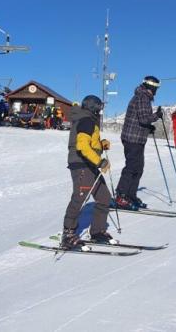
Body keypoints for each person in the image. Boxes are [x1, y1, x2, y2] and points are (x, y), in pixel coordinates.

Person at [61, 95, 113, 249]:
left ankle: (97, 232)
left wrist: (101, 145)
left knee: (104, 196)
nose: (100, 110)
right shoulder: (86, 120)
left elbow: (89, 143)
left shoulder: (88, 120)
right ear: (93, 108)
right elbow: (82, 147)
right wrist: (100, 161)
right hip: (82, 164)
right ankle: (68, 234)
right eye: (99, 108)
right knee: (80, 198)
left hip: (89, 164)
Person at [114, 76, 163, 210]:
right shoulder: (142, 97)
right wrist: (156, 116)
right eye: (156, 88)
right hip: (132, 139)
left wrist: (149, 128)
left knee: (138, 167)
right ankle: (121, 196)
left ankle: (130, 195)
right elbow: (143, 119)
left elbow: (141, 120)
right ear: (151, 87)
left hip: (136, 138)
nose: (156, 91)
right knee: (132, 167)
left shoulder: (143, 97)